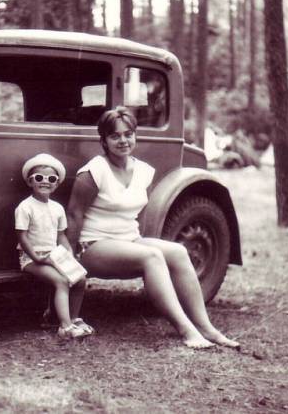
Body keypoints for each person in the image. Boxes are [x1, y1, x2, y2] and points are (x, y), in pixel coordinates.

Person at [66, 107, 239, 349]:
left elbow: (139, 215)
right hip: (92, 246)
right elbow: (74, 215)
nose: (123, 141)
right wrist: (69, 259)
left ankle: (206, 328)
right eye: (115, 136)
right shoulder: (94, 171)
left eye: (128, 134)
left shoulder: (144, 171)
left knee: (177, 252)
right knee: (152, 256)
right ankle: (187, 330)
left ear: (135, 135)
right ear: (104, 140)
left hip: (128, 241)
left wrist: (140, 243)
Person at [16, 153, 94, 339]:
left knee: (80, 278)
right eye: (39, 178)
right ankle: (65, 328)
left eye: (51, 179)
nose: (45, 182)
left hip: (53, 254)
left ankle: (74, 319)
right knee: (60, 281)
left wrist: (68, 253)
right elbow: (22, 236)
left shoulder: (57, 208)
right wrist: (35, 257)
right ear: (30, 181)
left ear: (57, 183)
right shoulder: (25, 207)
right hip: (32, 258)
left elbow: (60, 236)